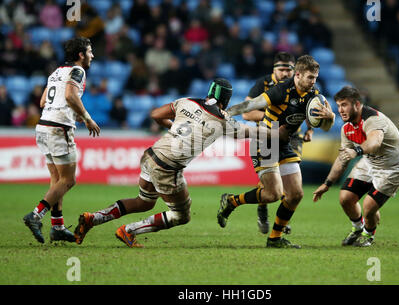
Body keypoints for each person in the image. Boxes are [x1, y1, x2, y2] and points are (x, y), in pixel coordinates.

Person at [73, 78, 270, 247]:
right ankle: (129, 231)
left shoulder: (187, 101)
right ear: (226, 100)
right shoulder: (222, 119)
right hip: (167, 167)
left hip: (151, 155)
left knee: (144, 202)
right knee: (181, 215)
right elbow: (249, 132)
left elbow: (155, 115)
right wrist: (276, 133)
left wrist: (173, 126)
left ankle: (94, 218)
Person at [217, 55, 335, 248]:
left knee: (296, 194)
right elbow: (250, 105)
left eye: (315, 77)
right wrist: (226, 113)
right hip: (265, 140)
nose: (313, 82)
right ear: (297, 75)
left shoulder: (314, 96)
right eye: (310, 77)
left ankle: (274, 239)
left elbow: (328, 127)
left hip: (285, 142)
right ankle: (232, 201)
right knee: (272, 194)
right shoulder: (281, 90)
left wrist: (329, 116)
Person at [22, 37, 100, 244]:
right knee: (68, 180)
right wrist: (86, 118)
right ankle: (36, 215)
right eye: (90, 52)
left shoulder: (56, 72)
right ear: (81, 55)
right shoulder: (78, 71)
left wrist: (69, 112)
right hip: (58, 129)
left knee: (57, 179)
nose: (93, 55)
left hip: (43, 126)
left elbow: (42, 101)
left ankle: (57, 226)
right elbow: (70, 96)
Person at [312, 86, 399, 247]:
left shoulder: (374, 120)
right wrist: (327, 184)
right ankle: (358, 228)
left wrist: (357, 151)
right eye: (338, 106)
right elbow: (343, 158)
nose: (340, 110)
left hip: (393, 166)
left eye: (344, 105)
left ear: (357, 105)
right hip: (369, 161)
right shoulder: (347, 128)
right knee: (345, 198)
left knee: (369, 206)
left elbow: (374, 142)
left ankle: (368, 234)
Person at [242, 51, 314, 234]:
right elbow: (246, 113)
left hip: (292, 137)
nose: (285, 73)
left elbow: (309, 107)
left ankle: (280, 222)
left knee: (292, 184)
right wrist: (276, 120)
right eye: (282, 69)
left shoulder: (302, 85)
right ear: (274, 70)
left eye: (289, 69)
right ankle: (263, 208)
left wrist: (311, 128)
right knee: (274, 186)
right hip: (266, 135)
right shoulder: (264, 84)